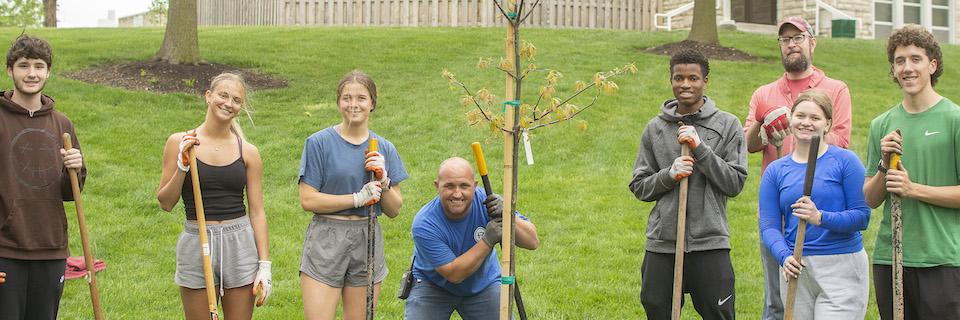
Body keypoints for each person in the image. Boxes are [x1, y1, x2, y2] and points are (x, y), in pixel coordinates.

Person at [743, 16, 853, 320]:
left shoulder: (835, 89)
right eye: (785, 40)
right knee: (777, 299)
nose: (792, 44)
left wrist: (798, 127)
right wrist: (763, 128)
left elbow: (841, 141)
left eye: (798, 37)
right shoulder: (764, 93)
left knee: (818, 293)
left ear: (812, 43)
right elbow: (748, 145)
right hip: (776, 212)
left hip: (820, 206)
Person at [629, 49, 746, 320]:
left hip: (710, 241)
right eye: (678, 78)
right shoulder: (655, 129)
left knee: (719, 313)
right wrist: (669, 174)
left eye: (693, 78)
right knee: (658, 311)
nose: (685, 84)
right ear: (670, 80)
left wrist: (701, 150)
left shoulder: (727, 125)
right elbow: (639, 186)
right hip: (663, 242)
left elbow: (734, 182)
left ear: (706, 80)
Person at [157, 72, 272, 319]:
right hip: (197, 240)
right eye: (223, 95)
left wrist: (265, 265)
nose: (228, 103)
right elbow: (166, 202)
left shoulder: (248, 152)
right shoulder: (180, 141)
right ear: (208, 96)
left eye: (236, 100)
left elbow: (257, 212)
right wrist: (182, 166)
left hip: (239, 243)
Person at [864, 25, 960, 320]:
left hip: (942, 259)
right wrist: (883, 164)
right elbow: (870, 198)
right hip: (890, 259)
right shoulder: (882, 124)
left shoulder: (954, 119)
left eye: (915, 59)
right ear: (893, 69)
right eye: (899, 60)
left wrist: (912, 189)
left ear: (932, 65)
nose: (907, 68)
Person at [298, 70, 408, 320]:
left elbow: (394, 210)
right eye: (347, 98)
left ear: (372, 103)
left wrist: (383, 179)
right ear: (338, 102)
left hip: (367, 236)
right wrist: (357, 199)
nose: (354, 104)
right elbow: (308, 200)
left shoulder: (384, 148)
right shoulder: (318, 143)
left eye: (361, 98)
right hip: (327, 238)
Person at [758, 90, 870, 319]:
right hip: (795, 266)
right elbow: (769, 225)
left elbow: (862, 217)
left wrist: (820, 217)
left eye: (815, 118)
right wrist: (784, 256)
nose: (806, 122)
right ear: (791, 119)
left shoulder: (846, 162)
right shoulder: (776, 171)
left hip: (841, 267)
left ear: (828, 124)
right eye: (800, 116)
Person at [0, 34, 86, 320]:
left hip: (50, 247)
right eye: (23, 65)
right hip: (5, 247)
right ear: (9, 70)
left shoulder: (61, 123)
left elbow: (70, 192)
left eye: (39, 66)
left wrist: (75, 168)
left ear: (48, 71)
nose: (32, 73)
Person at [404, 157, 539, 320]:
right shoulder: (425, 223)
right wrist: (487, 240)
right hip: (432, 286)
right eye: (449, 186)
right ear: (436, 186)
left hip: (484, 283)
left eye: (464, 186)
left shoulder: (488, 203)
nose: (457, 193)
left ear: (475, 186)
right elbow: (454, 274)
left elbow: (532, 241)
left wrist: (508, 214)